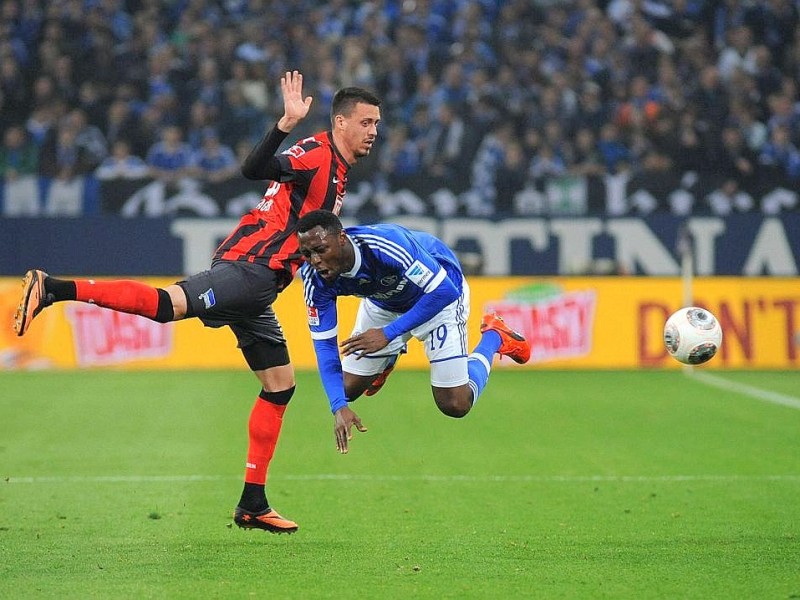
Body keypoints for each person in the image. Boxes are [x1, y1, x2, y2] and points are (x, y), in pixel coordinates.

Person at [13, 71, 382, 534]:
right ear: (342, 122)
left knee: (280, 384)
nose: (373, 131)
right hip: (250, 267)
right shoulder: (316, 152)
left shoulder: (339, 169)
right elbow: (253, 169)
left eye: (376, 123)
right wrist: (285, 124)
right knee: (169, 305)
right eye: (366, 122)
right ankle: (54, 288)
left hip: (262, 283)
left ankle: (252, 503)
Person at [296, 209, 532, 454]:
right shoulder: (315, 281)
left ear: (342, 238)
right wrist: (338, 407)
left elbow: (444, 291)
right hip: (383, 303)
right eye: (306, 254)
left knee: (455, 404)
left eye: (321, 250)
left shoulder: (385, 245)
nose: (315, 261)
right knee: (344, 390)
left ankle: (495, 336)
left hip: (437, 296)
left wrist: (388, 334)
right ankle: (388, 357)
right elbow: (324, 346)